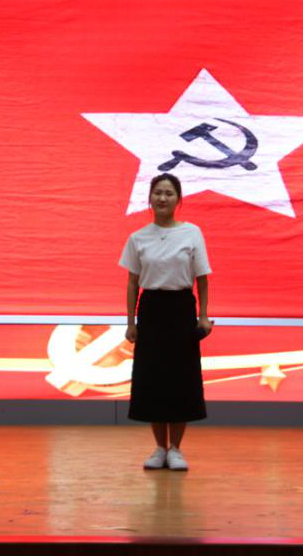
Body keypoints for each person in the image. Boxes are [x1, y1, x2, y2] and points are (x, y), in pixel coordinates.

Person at [120, 173, 213, 471]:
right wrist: (131, 323)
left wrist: (203, 316)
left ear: (178, 199)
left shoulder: (192, 233)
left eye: (169, 193)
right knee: (153, 379)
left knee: (181, 379)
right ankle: (159, 448)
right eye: (158, 193)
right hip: (151, 310)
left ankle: (176, 450)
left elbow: (202, 279)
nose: (162, 198)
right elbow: (132, 283)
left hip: (181, 308)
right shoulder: (138, 237)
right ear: (150, 198)